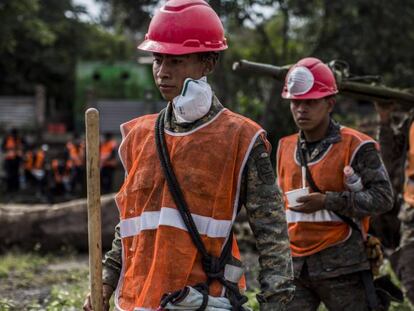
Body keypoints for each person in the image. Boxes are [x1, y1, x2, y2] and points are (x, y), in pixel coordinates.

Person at [83, 1, 294, 310]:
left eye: (177, 61)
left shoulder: (242, 138)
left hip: (202, 301)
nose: (163, 72)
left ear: (208, 63)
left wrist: (276, 303)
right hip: (139, 302)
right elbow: (130, 224)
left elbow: (272, 233)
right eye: (158, 59)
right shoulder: (141, 136)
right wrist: (105, 280)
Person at [276, 57, 393, 310]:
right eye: (296, 102)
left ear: (330, 103)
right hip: (295, 268)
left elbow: (383, 198)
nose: (301, 109)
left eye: (310, 102)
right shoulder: (284, 147)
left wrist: (328, 200)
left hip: (344, 267)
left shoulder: (357, 145)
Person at [376, 101, 414, 304]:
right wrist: (384, 120)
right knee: (411, 281)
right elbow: (390, 160)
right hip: (411, 214)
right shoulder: (412, 120)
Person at [1, 128, 24, 192]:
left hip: (17, 159)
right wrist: (9, 150)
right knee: (9, 174)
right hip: (9, 159)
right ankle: (9, 188)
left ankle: (16, 188)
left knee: (16, 174)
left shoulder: (20, 139)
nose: (14, 135)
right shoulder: (7, 139)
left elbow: (26, 146)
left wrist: (21, 150)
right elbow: (2, 148)